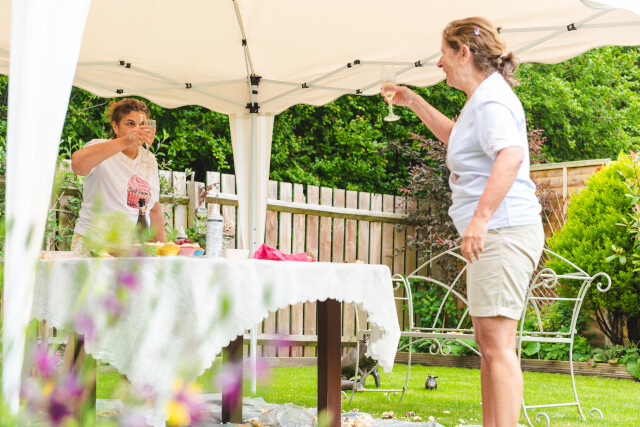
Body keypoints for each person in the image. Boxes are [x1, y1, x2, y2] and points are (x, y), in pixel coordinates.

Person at [387, 17, 544, 427]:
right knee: (489, 343)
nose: (439, 62)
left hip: (502, 231)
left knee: (498, 346)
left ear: (464, 53)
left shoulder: (490, 100)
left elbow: (510, 155)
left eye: (443, 53)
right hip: (498, 232)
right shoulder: (482, 99)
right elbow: (458, 137)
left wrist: (480, 220)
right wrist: (414, 101)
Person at [70, 98, 166, 249]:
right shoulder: (99, 146)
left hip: (132, 248)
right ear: (115, 126)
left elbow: (154, 208)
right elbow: (78, 165)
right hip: (94, 242)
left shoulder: (149, 159)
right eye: (130, 124)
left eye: (142, 125)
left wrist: (163, 250)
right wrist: (127, 140)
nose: (137, 129)